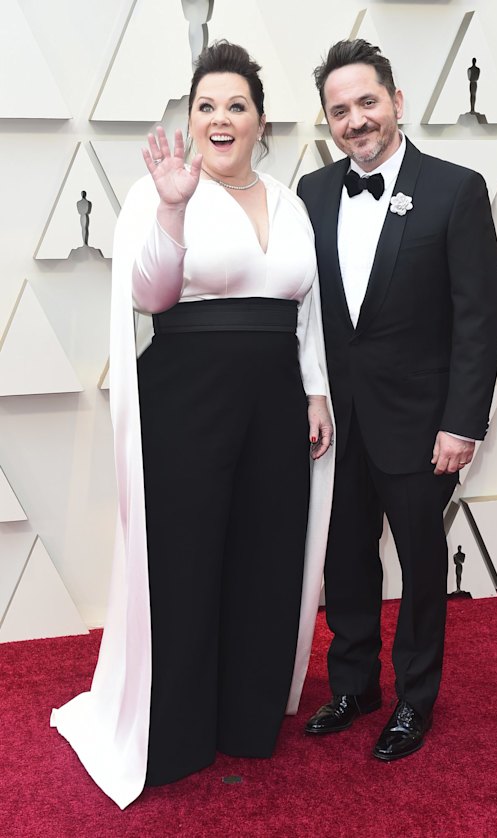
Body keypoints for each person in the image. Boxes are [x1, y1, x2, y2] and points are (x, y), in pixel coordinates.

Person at [51, 41, 335, 809]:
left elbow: (304, 308)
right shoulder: (163, 190)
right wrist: (172, 206)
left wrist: (315, 393)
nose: (219, 117)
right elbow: (150, 295)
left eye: (235, 105)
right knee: (184, 559)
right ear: (191, 118)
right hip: (185, 397)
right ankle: (173, 733)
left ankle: (245, 720)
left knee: (265, 555)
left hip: (277, 398)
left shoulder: (292, 200)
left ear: (259, 119)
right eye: (205, 105)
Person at [298, 39, 497, 761]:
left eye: (366, 102)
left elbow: (481, 318)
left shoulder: (457, 188)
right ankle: (354, 686)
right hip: (338, 424)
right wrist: (313, 394)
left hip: (422, 428)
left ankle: (416, 700)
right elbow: (311, 313)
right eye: (339, 110)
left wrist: (463, 423)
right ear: (327, 121)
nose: (355, 120)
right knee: (344, 562)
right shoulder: (313, 194)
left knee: (420, 569)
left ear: (396, 102)